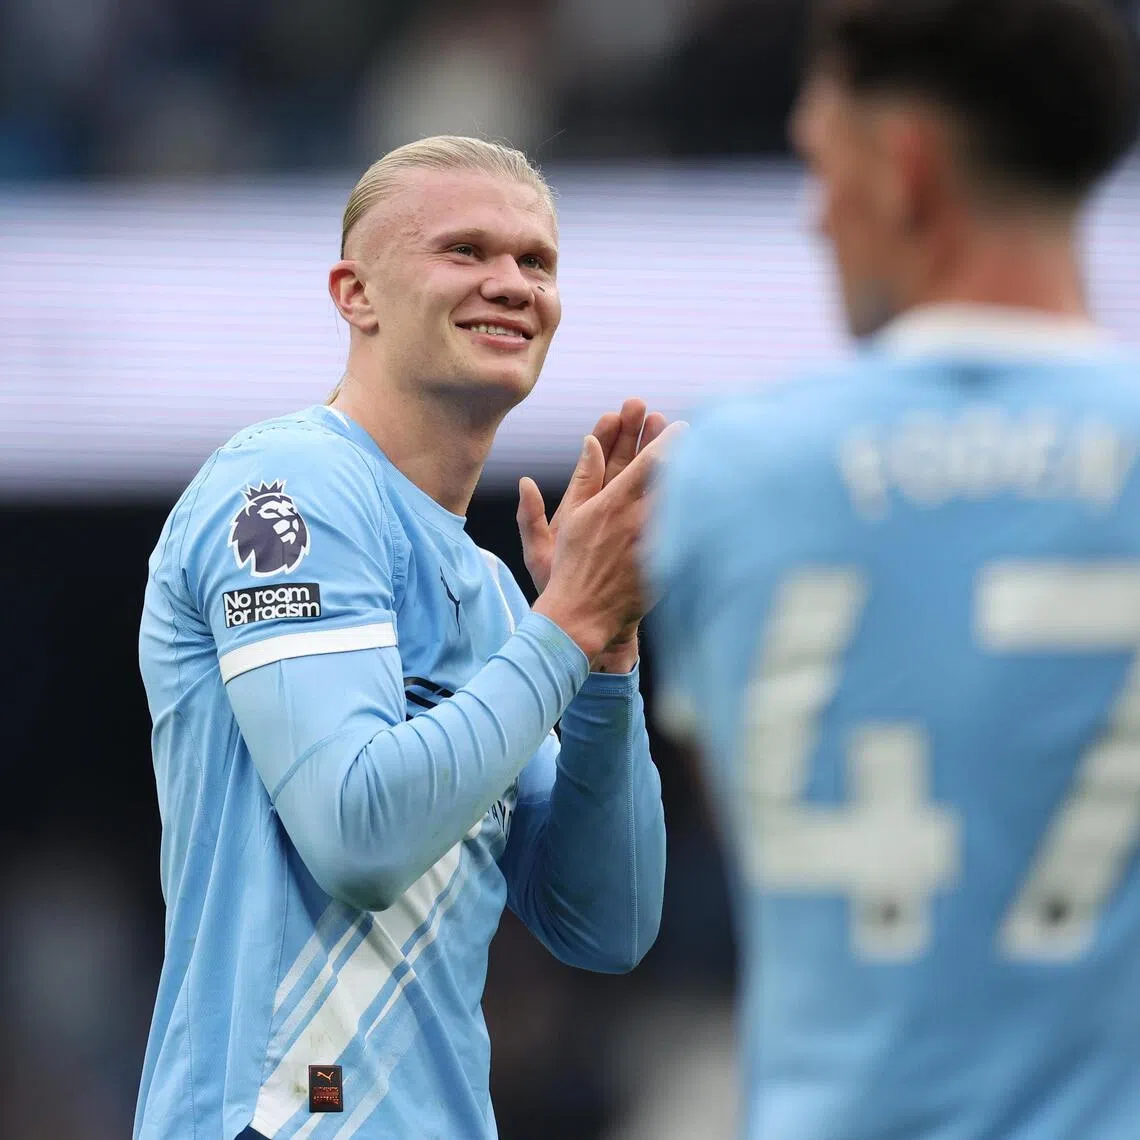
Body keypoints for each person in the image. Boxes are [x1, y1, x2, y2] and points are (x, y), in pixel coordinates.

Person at [645, 1, 1140, 1137]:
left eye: (819, 164)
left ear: (904, 168)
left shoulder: (730, 475)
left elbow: (749, 808)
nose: (816, 221)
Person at [135, 136, 669, 1140]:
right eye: (465, 251)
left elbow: (608, 921)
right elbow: (360, 837)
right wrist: (565, 629)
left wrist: (604, 663)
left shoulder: (493, 595)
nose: (511, 284)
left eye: (536, 262)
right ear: (356, 294)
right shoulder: (287, 488)